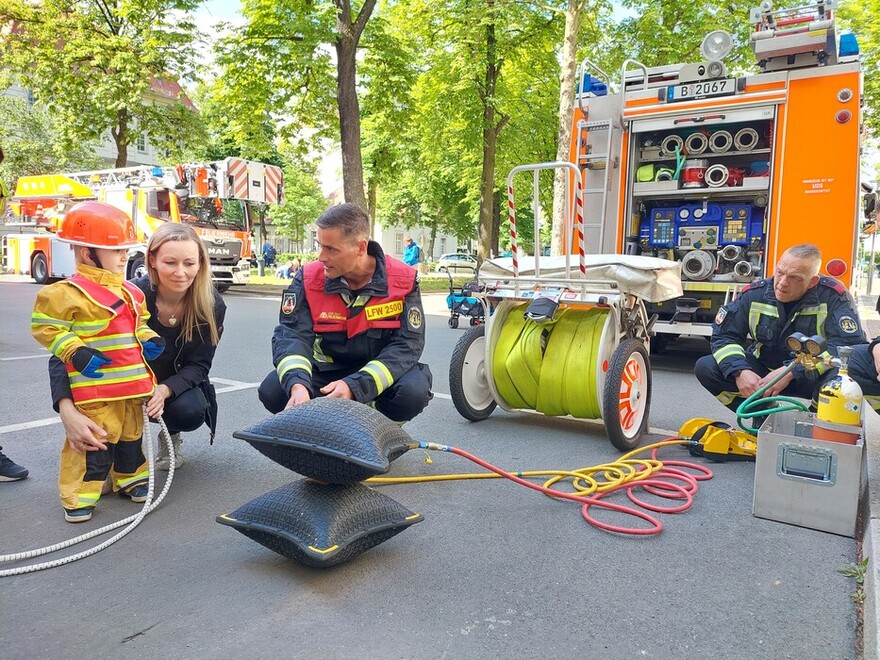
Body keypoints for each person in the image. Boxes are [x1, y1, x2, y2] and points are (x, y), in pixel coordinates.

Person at [50, 222, 226, 472]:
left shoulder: (211, 305)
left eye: (189, 263)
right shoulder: (125, 296)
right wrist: (67, 410)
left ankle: (169, 435)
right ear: (152, 260)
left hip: (168, 383)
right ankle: (111, 448)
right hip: (118, 381)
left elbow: (199, 365)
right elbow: (64, 353)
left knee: (190, 411)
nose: (180, 272)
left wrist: (165, 390)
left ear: (200, 263)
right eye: (170, 263)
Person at [32, 202, 165, 522]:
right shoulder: (65, 293)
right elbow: (45, 328)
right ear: (85, 252)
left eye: (125, 250)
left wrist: (148, 339)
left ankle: (130, 477)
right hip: (94, 389)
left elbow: (139, 322)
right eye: (115, 250)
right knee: (95, 440)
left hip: (131, 387)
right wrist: (73, 350)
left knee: (132, 436)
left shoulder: (133, 292)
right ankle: (79, 493)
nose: (123, 256)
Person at [258, 203, 433, 422]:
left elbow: (407, 346)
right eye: (319, 245)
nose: (321, 257)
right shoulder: (308, 278)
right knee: (273, 390)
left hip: (377, 376)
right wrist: (298, 384)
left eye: (331, 249)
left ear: (360, 248)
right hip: (328, 371)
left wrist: (355, 386)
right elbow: (292, 335)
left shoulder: (402, 281)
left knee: (412, 393)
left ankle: (376, 431)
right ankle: (321, 428)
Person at [694, 243, 867, 420]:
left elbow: (848, 345)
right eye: (780, 272)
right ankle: (763, 414)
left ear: (812, 281)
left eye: (795, 278)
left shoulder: (834, 296)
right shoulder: (754, 294)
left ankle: (816, 422)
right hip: (764, 375)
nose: (782, 283)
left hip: (810, 375)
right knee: (707, 367)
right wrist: (740, 371)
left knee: (846, 373)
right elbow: (724, 335)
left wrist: (791, 371)